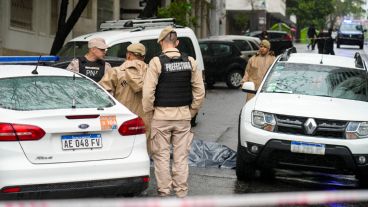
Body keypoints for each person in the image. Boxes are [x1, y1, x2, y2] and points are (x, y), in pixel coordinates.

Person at [142, 26, 205, 198]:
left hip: (161, 116)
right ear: (177, 42)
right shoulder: (190, 61)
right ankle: (181, 192)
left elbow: (148, 94)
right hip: (183, 116)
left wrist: (149, 114)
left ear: (162, 42)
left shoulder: (156, 62)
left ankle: (164, 192)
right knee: (181, 157)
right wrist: (191, 111)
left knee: (161, 156)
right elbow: (199, 93)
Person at [98, 43, 151, 149]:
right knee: (143, 150)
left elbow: (100, 94)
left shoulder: (115, 72)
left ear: (128, 55)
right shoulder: (153, 72)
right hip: (147, 119)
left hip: (122, 118)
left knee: (121, 149)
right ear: (143, 57)